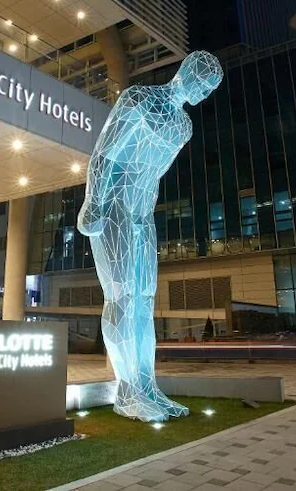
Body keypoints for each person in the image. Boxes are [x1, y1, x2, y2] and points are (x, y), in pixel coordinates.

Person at [78, 51, 223, 421]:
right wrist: (94, 201)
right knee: (122, 297)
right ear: (186, 71)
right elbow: (104, 154)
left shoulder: (184, 126)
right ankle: (128, 391)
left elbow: (153, 173)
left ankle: (147, 385)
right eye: (202, 83)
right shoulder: (139, 98)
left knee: (144, 300)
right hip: (114, 206)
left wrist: (143, 212)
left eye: (210, 89)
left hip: (143, 213)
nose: (204, 93)